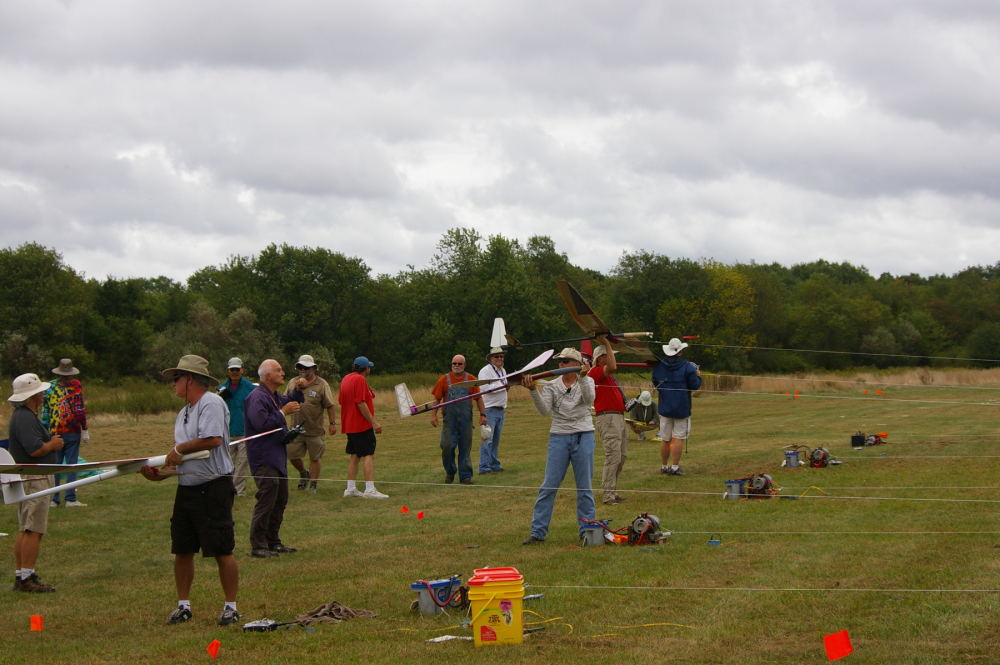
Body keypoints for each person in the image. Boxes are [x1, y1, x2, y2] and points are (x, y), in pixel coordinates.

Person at [139, 355, 240, 626]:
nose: (173, 384)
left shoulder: (211, 403)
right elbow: (181, 460)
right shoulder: (183, 412)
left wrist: (178, 449)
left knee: (221, 548)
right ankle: (183, 605)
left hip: (214, 486)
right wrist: (159, 475)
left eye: (176, 378)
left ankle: (231, 607)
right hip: (187, 489)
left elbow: (212, 440)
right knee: (182, 549)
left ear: (190, 379)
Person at [520, 348, 596, 545]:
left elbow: (589, 400)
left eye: (566, 361)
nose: (561, 364)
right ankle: (537, 532)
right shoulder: (552, 385)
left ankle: (587, 532)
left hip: (584, 435)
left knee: (584, 488)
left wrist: (583, 378)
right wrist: (533, 390)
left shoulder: (588, 380)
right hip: (559, 438)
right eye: (560, 361)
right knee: (548, 486)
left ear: (576, 364)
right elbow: (545, 411)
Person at [8, 373, 64, 592]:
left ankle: (22, 575)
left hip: (29, 476)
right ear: (33, 395)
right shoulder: (24, 417)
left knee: (26, 527)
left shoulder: (23, 415)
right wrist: (52, 445)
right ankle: (26, 578)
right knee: (34, 528)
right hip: (35, 477)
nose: (43, 393)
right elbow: (35, 450)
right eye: (40, 391)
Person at [244, 359, 304, 558]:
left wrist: (298, 388)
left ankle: (273, 541)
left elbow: (288, 402)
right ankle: (258, 545)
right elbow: (261, 423)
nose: (283, 373)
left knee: (280, 499)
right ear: (267, 376)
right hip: (263, 457)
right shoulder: (256, 398)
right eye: (278, 370)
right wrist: (282, 413)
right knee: (267, 499)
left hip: (277, 455)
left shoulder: (273, 396)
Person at [429, 355, 488, 485]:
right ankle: (450, 472)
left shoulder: (471, 379)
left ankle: (465, 476)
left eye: (460, 364)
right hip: (449, 420)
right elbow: (437, 398)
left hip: (466, 420)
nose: (456, 366)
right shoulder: (444, 379)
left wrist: (483, 414)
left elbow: (478, 398)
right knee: (447, 446)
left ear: (464, 365)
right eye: (454, 363)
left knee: (465, 448)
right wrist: (434, 415)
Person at [284, 355, 337, 494]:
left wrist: (332, 423)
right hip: (295, 429)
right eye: (300, 367)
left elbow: (330, 405)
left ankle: (313, 485)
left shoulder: (322, 384)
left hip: (315, 429)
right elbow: (284, 401)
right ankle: (303, 473)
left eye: (306, 367)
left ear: (313, 368)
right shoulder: (292, 382)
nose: (302, 370)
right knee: (292, 455)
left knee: (315, 457)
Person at [40, 359, 89, 508]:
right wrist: (85, 429)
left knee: (56, 466)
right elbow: (79, 409)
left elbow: (45, 411)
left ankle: (54, 499)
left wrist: (44, 429)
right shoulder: (75, 385)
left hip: (54, 432)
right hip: (72, 430)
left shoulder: (49, 387)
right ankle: (70, 499)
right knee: (71, 465)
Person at [651, 338, 702, 476]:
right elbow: (695, 385)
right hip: (682, 408)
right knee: (679, 437)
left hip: (665, 407)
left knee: (665, 438)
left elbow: (655, 380)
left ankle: (664, 466)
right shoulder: (688, 367)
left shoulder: (660, 366)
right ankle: (674, 467)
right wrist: (699, 377)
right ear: (681, 350)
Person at [339, 357, 387, 499]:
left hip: (349, 424)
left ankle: (351, 488)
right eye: (369, 367)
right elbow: (360, 402)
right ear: (366, 368)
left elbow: (341, 401)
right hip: (361, 424)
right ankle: (370, 489)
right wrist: (374, 423)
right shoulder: (360, 380)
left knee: (355, 454)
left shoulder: (346, 378)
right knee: (368, 454)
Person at [589, 336, 629, 505]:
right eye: (608, 354)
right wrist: (606, 343)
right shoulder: (595, 372)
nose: (612, 356)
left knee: (621, 455)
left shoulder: (607, 376)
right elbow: (612, 366)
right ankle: (608, 495)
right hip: (608, 418)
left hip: (618, 416)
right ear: (599, 359)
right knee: (613, 455)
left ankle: (613, 490)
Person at [218, 357, 255, 497]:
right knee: (226, 462)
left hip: (245, 431)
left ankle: (238, 491)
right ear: (228, 371)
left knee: (242, 462)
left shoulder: (250, 388)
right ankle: (226, 489)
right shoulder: (222, 388)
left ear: (242, 370)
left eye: (237, 369)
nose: (234, 372)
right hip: (227, 431)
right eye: (232, 369)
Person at [477, 347, 511, 475]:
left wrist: (506, 387)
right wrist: (503, 386)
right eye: (496, 356)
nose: (499, 359)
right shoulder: (485, 371)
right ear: (491, 358)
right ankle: (483, 467)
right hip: (489, 409)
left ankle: (494, 464)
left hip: (501, 409)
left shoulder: (503, 370)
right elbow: (485, 388)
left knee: (495, 440)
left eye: (501, 356)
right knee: (487, 439)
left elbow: (504, 386)